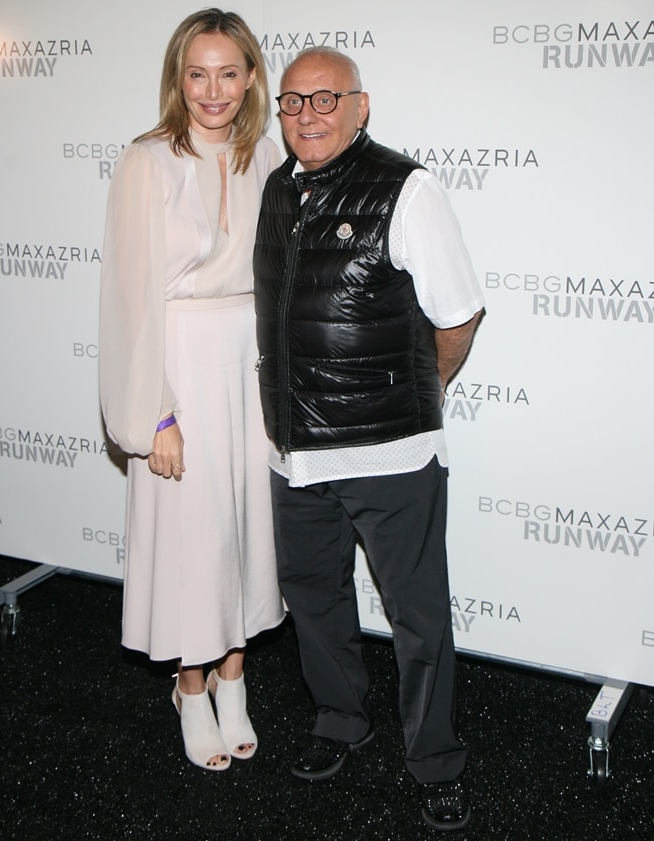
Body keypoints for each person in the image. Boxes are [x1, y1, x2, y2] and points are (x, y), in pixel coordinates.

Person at [253, 47, 484, 829]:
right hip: (297, 455)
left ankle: (435, 760)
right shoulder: (277, 193)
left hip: (392, 454)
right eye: (293, 102)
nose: (308, 115)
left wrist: (419, 393)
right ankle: (339, 722)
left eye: (326, 99)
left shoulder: (407, 188)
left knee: (418, 618)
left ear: (361, 106)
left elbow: (458, 316)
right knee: (315, 603)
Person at [98, 8, 284, 773]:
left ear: (250, 79)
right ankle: (190, 684)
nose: (213, 90)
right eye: (197, 73)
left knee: (245, 531)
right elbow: (130, 298)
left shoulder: (267, 153)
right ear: (178, 77)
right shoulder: (147, 161)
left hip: (252, 367)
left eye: (229, 73)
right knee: (191, 537)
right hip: (179, 366)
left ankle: (234, 677)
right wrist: (157, 411)